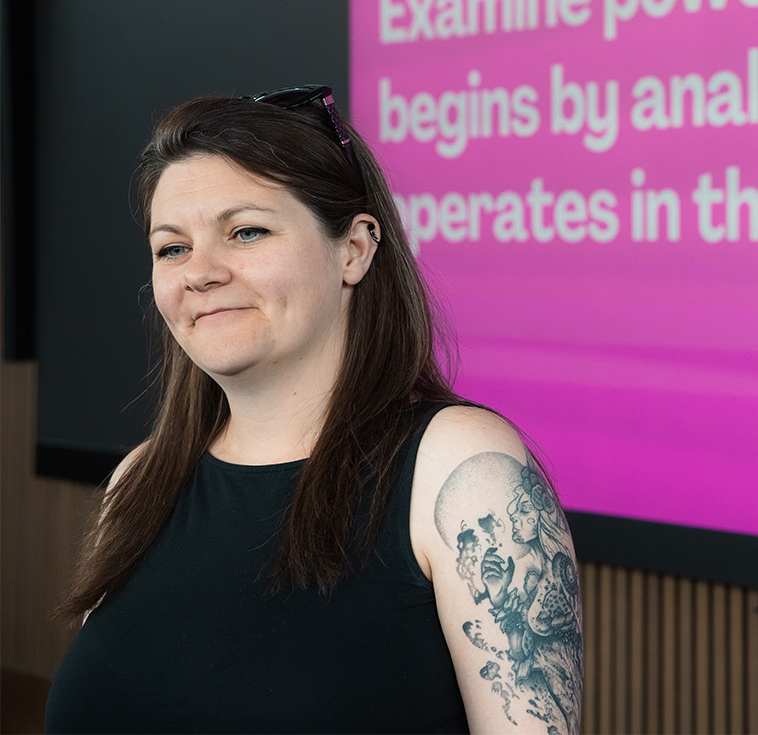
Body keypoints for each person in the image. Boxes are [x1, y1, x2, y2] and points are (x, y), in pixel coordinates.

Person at [44, 86, 581, 734]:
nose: (200, 272)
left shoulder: (462, 469)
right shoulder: (138, 482)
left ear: (353, 249)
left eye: (246, 231)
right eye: (172, 247)